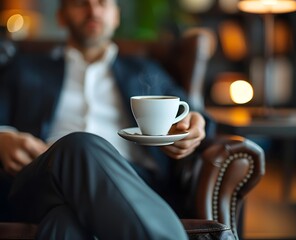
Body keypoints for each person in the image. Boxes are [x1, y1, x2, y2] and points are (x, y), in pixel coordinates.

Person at [0, 0, 215, 239]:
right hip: (43, 179)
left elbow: (197, 116)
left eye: (103, 2)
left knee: (65, 222)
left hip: (132, 180)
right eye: (81, 3)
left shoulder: (147, 71)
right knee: (78, 145)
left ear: (116, 17)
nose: (93, 10)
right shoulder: (25, 69)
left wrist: (196, 124)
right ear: (61, 17)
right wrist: (2, 137)